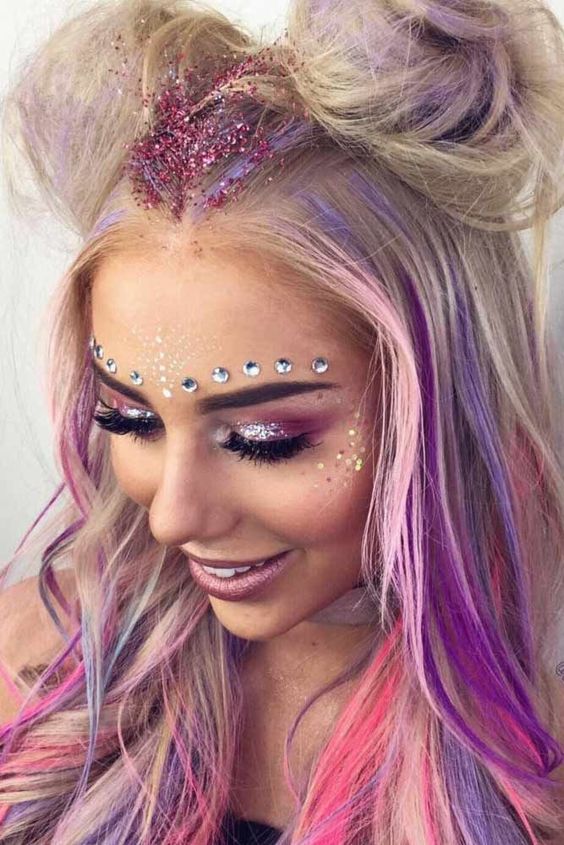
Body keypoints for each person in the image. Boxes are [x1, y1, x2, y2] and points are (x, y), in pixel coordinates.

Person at [0, 0, 563, 842]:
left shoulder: (534, 782)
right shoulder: (32, 670)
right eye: (132, 420)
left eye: (265, 440)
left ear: (436, 414)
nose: (172, 516)